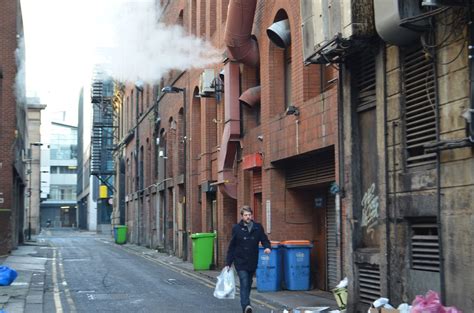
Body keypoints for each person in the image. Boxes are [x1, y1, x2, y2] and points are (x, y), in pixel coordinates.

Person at [225, 205, 271, 313]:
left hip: (252, 260)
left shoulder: (257, 227)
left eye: (249, 215)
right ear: (242, 216)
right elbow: (232, 246)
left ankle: (246, 303)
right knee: (244, 282)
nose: (248, 217)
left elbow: (264, 239)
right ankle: (246, 306)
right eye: (246, 215)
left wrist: (267, 247)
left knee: (249, 283)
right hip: (240, 261)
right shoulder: (236, 228)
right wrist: (228, 262)